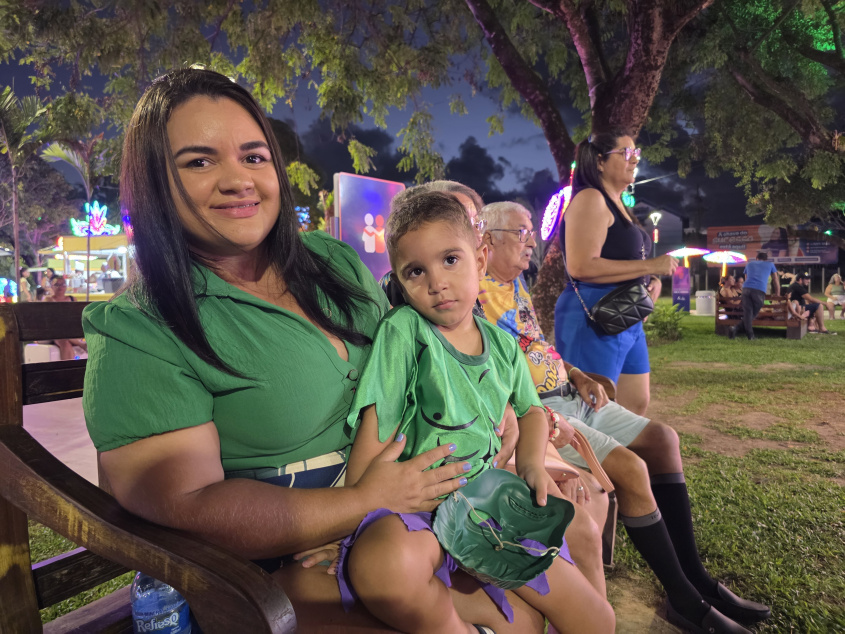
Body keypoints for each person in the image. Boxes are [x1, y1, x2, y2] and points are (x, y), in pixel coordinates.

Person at [81, 68, 547, 633]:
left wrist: (509, 424)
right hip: (249, 574)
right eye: (200, 162)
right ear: (154, 181)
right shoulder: (142, 325)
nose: (238, 180)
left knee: (540, 594)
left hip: (394, 519)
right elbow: (187, 508)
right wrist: (357, 508)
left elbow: (425, 360)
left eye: (254, 157)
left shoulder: (333, 263)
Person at [479, 200, 768, 634]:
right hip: (541, 410)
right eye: (521, 233)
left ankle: (696, 577)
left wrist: (577, 374)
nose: (531, 242)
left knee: (663, 439)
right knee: (633, 469)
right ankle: (684, 600)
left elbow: (537, 346)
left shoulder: (516, 284)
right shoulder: (474, 293)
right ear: (488, 240)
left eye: (530, 233)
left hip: (571, 393)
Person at [340, 190, 614, 634]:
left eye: (451, 259)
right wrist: (348, 513)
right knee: (385, 567)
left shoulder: (504, 346)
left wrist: (529, 464)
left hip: (491, 503)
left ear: (480, 259)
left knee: (598, 620)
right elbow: (376, 427)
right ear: (400, 279)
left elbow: (529, 412)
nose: (436, 282)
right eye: (416, 271)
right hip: (421, 504)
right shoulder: (404, 332)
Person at [554, 130, 677, 416]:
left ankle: (617, 460)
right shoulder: (590, 199)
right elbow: (581, 265)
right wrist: (650, 267)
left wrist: (650, 281)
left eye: (636, 153)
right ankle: (589, 461)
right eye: (626, 153)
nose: (634, 159)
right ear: (599, 162)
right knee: (591, 410)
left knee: (635, 404)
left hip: (625, 313)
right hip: (594, 316)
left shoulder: (617, 202)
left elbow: (625, 256)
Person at [729, 251, 780, 341]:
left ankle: (748, 335)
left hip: (746, 289)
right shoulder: (770, 265)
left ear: (757, 258)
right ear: (766, 259)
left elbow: (746, 278)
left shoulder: (749, 264)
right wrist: (777, 293)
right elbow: (775, 280)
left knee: (748, 313)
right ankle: (737, 329)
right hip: (759, 290)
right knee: (753, 314)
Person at [44, 276, 88, 359]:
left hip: (70, 331)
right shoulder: (48, 300)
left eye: (62, 284)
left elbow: (78, 316)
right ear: (52, 286)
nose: (60, 287)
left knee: (66, 340)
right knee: (64, 341)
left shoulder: (72, 299)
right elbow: (51, 320)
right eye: (57, 284)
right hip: (54, 332)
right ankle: (81, 345)